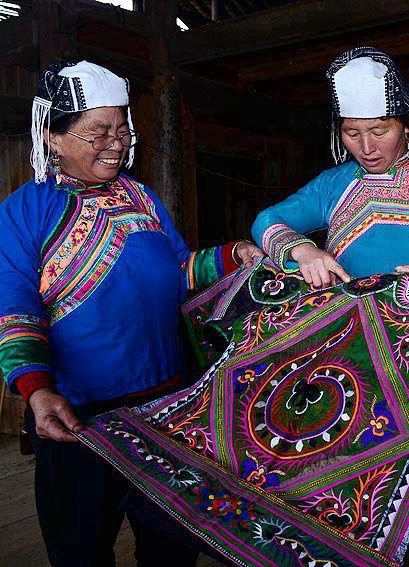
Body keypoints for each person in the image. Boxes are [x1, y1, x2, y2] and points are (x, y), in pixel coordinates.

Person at [251, 47, 409, 566]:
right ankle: (362, 534)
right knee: (360, 447)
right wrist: (301, 248)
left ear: (407, 122)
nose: (366, 147)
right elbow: (266, 220)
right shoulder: (333, 185)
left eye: (380, 130)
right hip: (356, 346)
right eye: (351, 133)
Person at [0, 60, 263, 566]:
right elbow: (14, 311)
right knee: (81, 546)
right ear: (52, 137)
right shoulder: (25, 211)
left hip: (166, 407)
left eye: (122, 128)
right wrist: (39, 390)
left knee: (169, 547)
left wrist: (232, 256)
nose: (116, 143)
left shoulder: (142, 197)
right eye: (97, 132)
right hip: (76, 417)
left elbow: (179, 273)